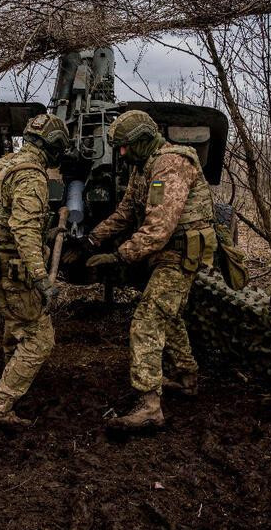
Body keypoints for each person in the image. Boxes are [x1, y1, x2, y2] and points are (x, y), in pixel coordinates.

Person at [84, 109, 217, 431]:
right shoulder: (144, 167)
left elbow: (158, 228)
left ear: (144, 139)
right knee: (167, 315)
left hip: (181, 253)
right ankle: (186, 377)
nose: (122, 153)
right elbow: (128, 210)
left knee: (147, 321)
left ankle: (149, 406)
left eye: (125, 146)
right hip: (166, 253)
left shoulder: (171, 164)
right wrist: (92, 239)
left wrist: (119, 257)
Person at [0, 113, 69, 428]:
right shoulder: (31, 174)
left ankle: (13, 374)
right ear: (53, 145)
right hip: (13, 268)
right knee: (40, 337)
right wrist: (41, 278)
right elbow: (24, 229)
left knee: (16, 325)